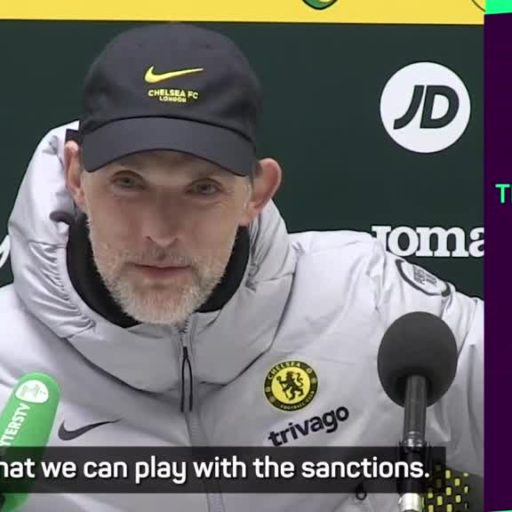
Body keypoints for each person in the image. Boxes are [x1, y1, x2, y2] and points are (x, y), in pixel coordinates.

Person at [0, 22, 482, 511]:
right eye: (128, 183)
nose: (160, 232)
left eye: (202, 188)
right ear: (76, 177)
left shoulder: (373, 305)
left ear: (256, 193)